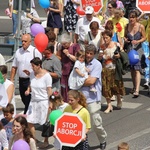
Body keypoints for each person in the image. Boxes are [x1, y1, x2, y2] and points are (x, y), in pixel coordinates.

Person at [80, 44, 107, 149]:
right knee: (81, 123)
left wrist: (77, 82)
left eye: (91, 54)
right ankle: (82, 144)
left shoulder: (97, 65)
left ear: (94, 54)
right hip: (81, 97)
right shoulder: (81, 62)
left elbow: (91, 81)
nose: (88, 55)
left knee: (96, 123)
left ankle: (102, 139)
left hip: (93, 98)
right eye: (87, 53)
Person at [10, 34, 42, 114]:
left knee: (28, 99)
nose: (23, 43)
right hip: (21, 80)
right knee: (23, 97)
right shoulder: (18, 51)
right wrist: (11, 80)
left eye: (25, 41)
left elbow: (40, 66)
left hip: (31, 80)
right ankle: (31, 112)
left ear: (30, 42)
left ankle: (26, 116)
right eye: (22, 41)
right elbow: (14, 66)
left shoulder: (35, 52)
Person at [25, 57, 52, 141]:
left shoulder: (47, 76)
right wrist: (28, 90)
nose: (32, 68)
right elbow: (31, 84)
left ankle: (46, 140)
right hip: (33, 101)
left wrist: (50, 103)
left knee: (45, 122)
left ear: (39, 65)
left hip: (43, 101)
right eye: (31, 66)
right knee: (29, 120)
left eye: (33, 66)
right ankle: (33, 139)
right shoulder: (32, 74)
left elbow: (49, 90)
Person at [101, 30, 126, 113]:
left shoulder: (116, 44)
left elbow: (122, 53)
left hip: (115, 69)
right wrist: (102, 56)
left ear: (110, 37)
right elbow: (99, 57)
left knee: (116, 86)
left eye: (107, 38)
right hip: (105, 69)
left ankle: (119, 98)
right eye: (104, 38)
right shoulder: (102, 46)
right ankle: (109, 105)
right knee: (106, 88)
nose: (105, 40)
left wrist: (118, 56)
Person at [124, 10, 146, 97]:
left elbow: (144, 38)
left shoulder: (141, 26)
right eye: (130, 17)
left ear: (136, 18)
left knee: (137, 69)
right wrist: (126, 39)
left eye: (133, 17)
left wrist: (138, 41)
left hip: (138, 50)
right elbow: (125, 36)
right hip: (130, 49)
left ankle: (137, 90)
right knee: (132, 69)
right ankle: (134, 86)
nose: (131, 19)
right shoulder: (127, 26)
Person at [57, 33, 80, 102]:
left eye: (65, 44)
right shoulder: (62, 48)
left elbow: (77, 59)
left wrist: (68, 54)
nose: (64, 46)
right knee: (64, 89)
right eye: (62, 44)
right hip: (64, 72)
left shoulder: (75, 46)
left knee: (72, 89)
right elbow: (59, 57)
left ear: (69, 41)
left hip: (72, 71)